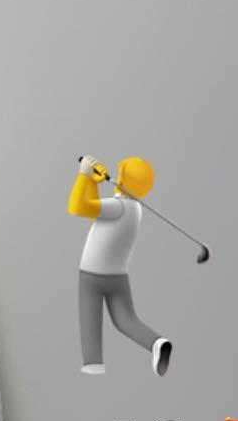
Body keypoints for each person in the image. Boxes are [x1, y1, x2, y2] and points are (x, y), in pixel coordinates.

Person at [69, 154, 172, 376]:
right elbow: (94, 215)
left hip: (92, 276)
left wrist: (83, 176)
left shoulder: (117, 207)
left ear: (123, 180)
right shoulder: (134, 209)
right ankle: (156, 342)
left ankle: (93, 363)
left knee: (89, 317)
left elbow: (77, 207)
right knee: (126, 320)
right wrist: (92, 184)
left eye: (119, 175)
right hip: (118, 278)